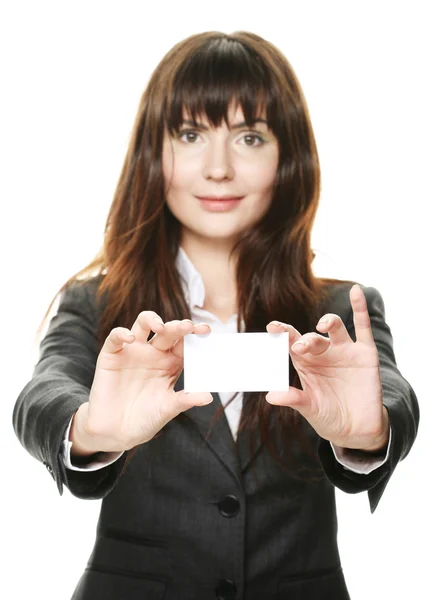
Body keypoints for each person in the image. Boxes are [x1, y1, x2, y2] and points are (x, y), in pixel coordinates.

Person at [12, 30, 419, 600]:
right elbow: (43, 393)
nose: (219, 168)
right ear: (154, 152)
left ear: (289, 157)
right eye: (190, 134)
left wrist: (370, 433)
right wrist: (90, 430)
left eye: (250, 136)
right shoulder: (97, 305)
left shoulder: (337, 310)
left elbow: (392, 396)